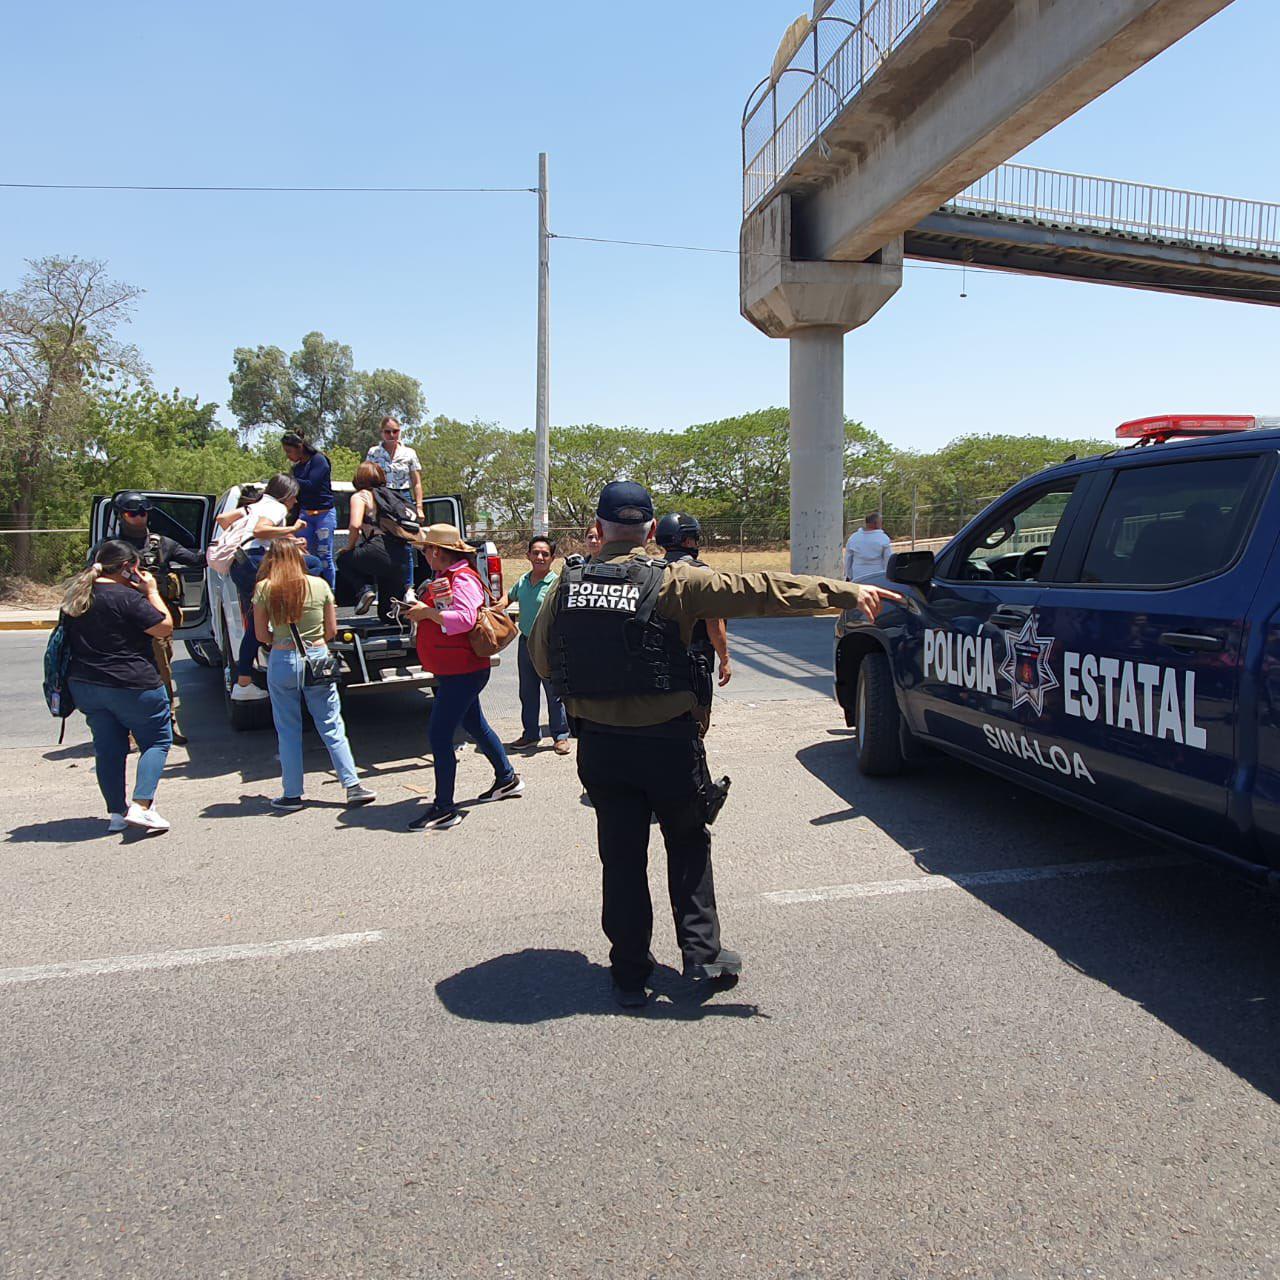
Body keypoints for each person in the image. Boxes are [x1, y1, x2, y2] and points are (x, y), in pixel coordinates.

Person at [529, 481, 902, 1008]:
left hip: (601, 747)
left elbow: (543, 659)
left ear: (599, 527)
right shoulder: (676, 582)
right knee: (687, 842)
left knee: (621, 856)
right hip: (668, 744)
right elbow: (761, 592)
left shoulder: (567, 581)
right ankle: (702, 955)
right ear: (652, 530)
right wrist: (843, 592)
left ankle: (630, 974)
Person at [402, 523, 522, 831]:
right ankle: (507, 778)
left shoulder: (463, 578)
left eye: (427, 549)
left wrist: (426, 613)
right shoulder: (446, 578)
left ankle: (445, 808)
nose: (425, 554)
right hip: (456, 669)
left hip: (463, 671)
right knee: (474, 724)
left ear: (438, 551)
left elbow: (466, 619)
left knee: (439, 736)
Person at [60, 539, 176, 834]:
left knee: (108, 749)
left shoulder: (77, 597)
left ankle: (116, 813)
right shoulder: (127, 598)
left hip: (85, 684)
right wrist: (151, 592)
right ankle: (142, 806)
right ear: (128, 568)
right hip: (132, 684)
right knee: (157, 742)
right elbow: (164, 627)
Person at [251, 539, 376, 812]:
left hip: (283, 658)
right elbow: (330, 630)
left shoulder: (264, 588)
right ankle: (352, 785)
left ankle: (292, 794)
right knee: (331, 723)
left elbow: (261, 635)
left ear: (271, 560)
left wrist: (280, 638)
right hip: (317, 657)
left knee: (288, 728)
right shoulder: (319, 585)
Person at [111, 491, 205, 745]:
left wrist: (226, 545)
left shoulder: (163, 544)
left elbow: (197, 559)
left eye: (143, 512)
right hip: (120, 624)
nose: (140, 518)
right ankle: (130, 732)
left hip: (154, 621)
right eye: (133, 513)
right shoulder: (110, 549)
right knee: (125, 678)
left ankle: (166, 725)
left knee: (161, 674)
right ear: (121, 515)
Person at [226, 474, 318, 702]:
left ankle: (244, 681)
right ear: (286, 495)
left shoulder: (255, 505)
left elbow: (224, 521)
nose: (295, 503)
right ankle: (302, 608)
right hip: (256, 561)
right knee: (315, 564)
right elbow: (260, 531)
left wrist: (288, 538)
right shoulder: (276, 507)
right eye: (294, 497)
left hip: (242, 564)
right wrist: (294, 527)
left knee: (255, 623)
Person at [655, 512, 731, 736]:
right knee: (695, 729)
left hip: (659, 663)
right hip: (694, 663)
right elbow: (714, 624)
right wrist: (725, 659)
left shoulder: (653, 572)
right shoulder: (702, 573)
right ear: (686, 540)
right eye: (694, 538)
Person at [497, 535, 570, 756]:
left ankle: (560, 736)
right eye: (535, 552)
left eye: (545, 554)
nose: (539, 557)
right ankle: (530, 734)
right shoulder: (523, 581)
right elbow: (506, 599)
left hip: (548, 645)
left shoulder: (557, 584)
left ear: (552, 558)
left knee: (553, 692)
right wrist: (494, 609)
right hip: (525, 642)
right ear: (528, 555)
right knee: (527, 692)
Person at [335, 462, 413, 622]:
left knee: (343, 560)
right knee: (387, 614)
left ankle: (365, 590)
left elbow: (355, 525)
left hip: (378, 548)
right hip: (401, 554)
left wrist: (348, 547)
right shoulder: (391, 495)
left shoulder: (360, 496)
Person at [365, 417, 424, 599]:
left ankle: (409, 588)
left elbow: (416, 483)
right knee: (382, 543)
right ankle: (382, 591)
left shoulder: (409, 453)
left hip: (402, 497)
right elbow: (367, 477)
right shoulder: (374, 452)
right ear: (381, 433)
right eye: (387, 432)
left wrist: (419, 506)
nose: (391, 435)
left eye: (395, 431)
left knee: (406, 542)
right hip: (382, 496)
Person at [282, 432, 336, 587]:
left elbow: (313, 485)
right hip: (305, 515)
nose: (288, 456)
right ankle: (309, 589)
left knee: (325, 556)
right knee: (305, 554)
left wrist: (290, 479)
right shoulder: (297, 469)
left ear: (299, 447)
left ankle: (329, 592)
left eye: (289, 452)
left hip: (323, 515)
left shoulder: (319, 460)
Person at [844, 512, 892, 582]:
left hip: (857, 576)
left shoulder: (853, 538)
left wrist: (849, 575)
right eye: (881, 522)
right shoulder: (883, 538)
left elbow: (848, 559)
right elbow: (888, 560)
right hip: (877, 576)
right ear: (875, 523)